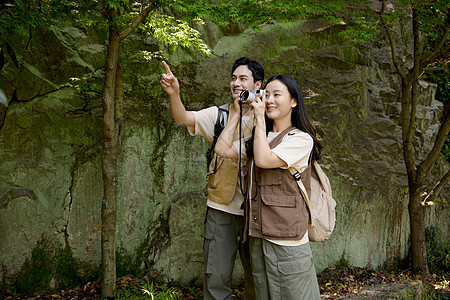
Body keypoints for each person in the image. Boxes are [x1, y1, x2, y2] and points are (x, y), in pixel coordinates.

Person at [160, 57, 264, 300]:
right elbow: (183, 118)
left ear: (258, 84)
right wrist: (174, 93)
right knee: (216, 276)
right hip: (221, 207)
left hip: (258, 210)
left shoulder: (269, 115)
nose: (236, 83)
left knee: (259, 278)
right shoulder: (218, 115)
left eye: (243, 79)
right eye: (233, 78)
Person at [214, 75, 322, 299]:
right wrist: (236, 114)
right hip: (257, 235)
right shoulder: (259, 138)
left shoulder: (301, 139)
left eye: (276, 94)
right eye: (266, 94)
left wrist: (260, 119)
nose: (269, 100)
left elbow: (264, 160)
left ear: (293, 101)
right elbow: (222, 149)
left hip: (286, 239)